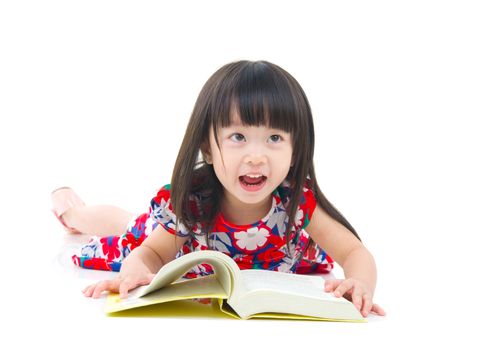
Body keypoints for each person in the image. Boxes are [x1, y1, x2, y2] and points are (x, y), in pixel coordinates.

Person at [51, 60, 385, 317]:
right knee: (133, 226)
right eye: (238, 137)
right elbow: (150, 253)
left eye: (274, 138)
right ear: (208, 148)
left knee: (134, 223)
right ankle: (71, 209)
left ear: (296, 150)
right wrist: (136, 273)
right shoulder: (192, 201)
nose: (256, 157)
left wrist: (360, 283)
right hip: (176, 242)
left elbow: (355, 253)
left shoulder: (297, 201)